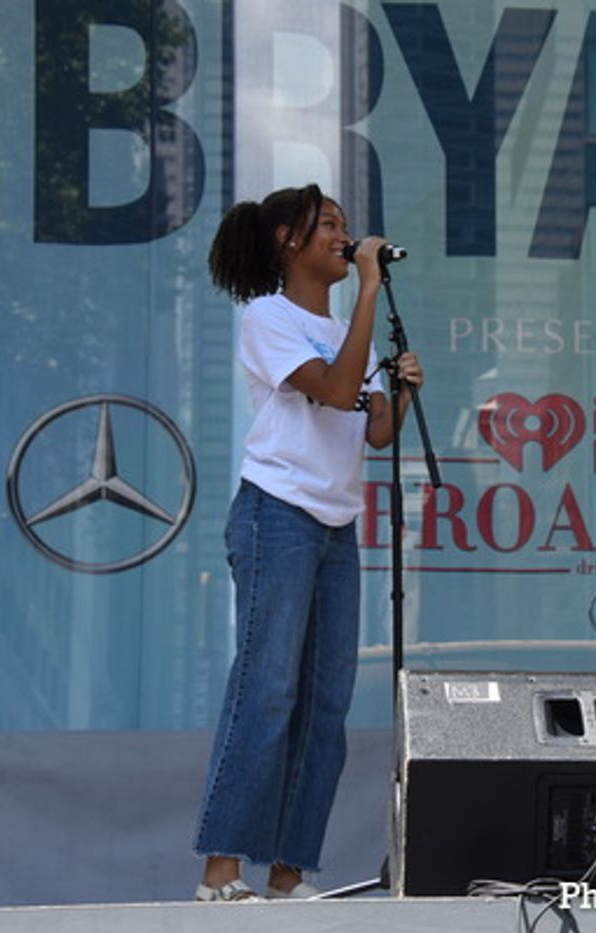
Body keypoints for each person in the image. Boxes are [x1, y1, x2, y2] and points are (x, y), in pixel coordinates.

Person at [192, 183, 423, 901]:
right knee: (268, 689)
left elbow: (373, 427)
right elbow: (332, 390)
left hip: (334, 524)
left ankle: (289, 873)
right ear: (289, 240)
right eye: (328, 225)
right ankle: (222, 868)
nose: (344, 237)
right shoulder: (268, 316)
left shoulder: (346, 329)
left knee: (326, 704)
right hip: (277, 515)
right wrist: (365, 292)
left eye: (346, 227)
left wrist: (405, 392)